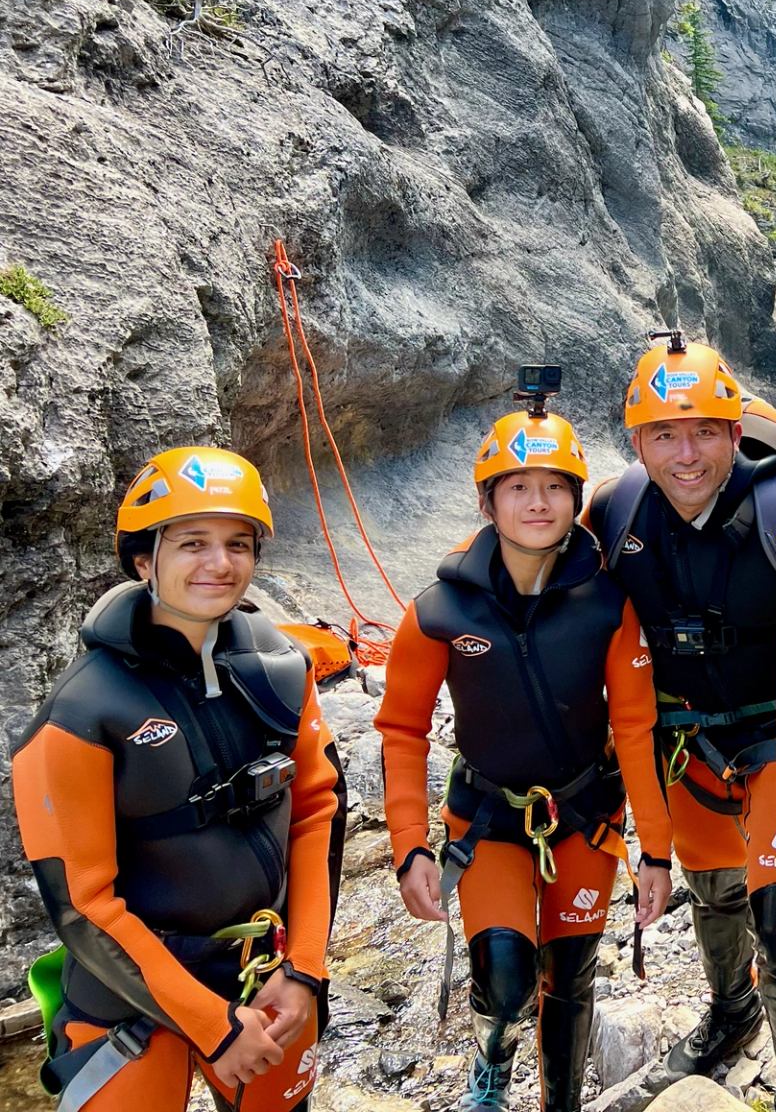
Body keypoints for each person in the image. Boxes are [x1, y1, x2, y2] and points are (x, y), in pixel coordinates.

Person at [13, 447, 343, 1110]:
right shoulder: (83, 712)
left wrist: (305, 968)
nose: (220, 565)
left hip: (263, 974)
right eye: (192, 542)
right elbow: (84, 905)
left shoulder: (281, 669)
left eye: (237, 544)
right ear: (143, 559)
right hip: (129, 999)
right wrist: (212, 1028)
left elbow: (313, 813)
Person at [377, 385, 674, 1111]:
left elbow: (634, 728)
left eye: (554, 488)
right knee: (505, 976)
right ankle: (495, 1054)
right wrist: (410, 845)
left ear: (576, 500)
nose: (538, 504)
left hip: (585, 815)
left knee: (569, 977)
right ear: (488, 503)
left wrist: (657, 852)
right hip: (487, 818)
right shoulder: (440, 612)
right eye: (518, 488)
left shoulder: (608, 605)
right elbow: (400, 731)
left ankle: (561, 1101)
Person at [586, 332, 776, 1112]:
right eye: (664, 435)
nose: (685, 455)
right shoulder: (614, 516)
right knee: (713, 893)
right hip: (682, 742)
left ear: (734, 432)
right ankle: (732, 1012)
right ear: (637, 444)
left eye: (703, 433)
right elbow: (535, 579)